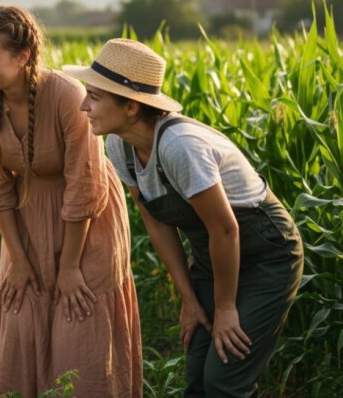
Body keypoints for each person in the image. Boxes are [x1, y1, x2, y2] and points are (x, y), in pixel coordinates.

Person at [64, 38, 304, 397]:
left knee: (224, 380)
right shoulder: (118, 144)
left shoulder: (180, 146)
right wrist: (189, 300)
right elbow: (157, 223)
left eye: (94, 97)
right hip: (212, 257)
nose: (83, 105)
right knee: (196, 375)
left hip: (267, 255)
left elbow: (225, 229)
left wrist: (224, 309)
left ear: (130, 107)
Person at [0, 5, 142, 397]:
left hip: (89, 219)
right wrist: (19, 259)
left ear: (23, 56)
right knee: (22, 309)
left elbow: (84, 184)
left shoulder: (66, 96)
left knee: (78, 324)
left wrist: (69, 266)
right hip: (26, 216)